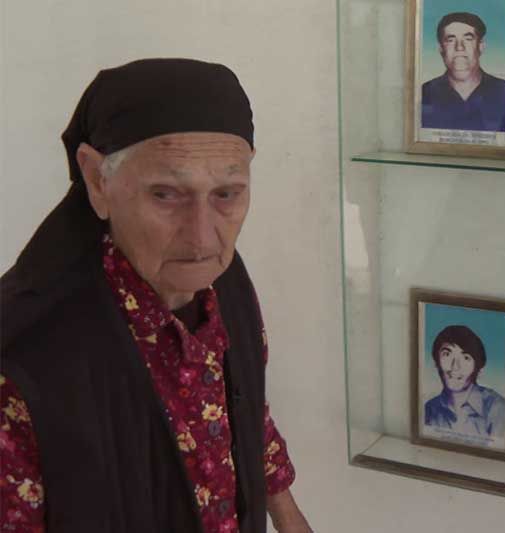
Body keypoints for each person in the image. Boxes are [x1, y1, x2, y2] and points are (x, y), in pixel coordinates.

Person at [0, 59, 311, 533]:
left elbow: (247, 412)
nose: (202, 237)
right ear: (97, 180)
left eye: (227, 194)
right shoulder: (24, 365)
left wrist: (289, 519)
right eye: (166, 194)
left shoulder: (226, 284)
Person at [421, 12, 505, 132]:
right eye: (450, 40)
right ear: (441, 49)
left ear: (481, 46)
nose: (459, 47)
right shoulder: (423, 94)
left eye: (468, 39)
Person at [424, 325, 505, 438]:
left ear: (479, 370)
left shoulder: (497, 408)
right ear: (436, 362)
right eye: (447, 354)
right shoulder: (429, 409)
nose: (455, 367)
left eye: (466, 358)